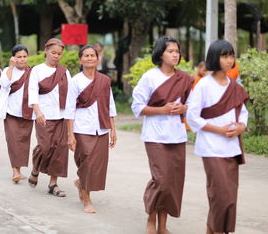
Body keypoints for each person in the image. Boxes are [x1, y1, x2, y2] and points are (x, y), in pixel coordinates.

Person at [131, 36, 193, 234]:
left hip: (177, 136)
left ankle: (163, 226)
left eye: (177, 51)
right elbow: (137, 107)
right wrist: (162, 110)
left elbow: (193, 106)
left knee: (173, 183)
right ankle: (151, 219)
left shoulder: (185, 78)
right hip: (155, 136)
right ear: (160, 54)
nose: (175, 54)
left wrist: (184, 107)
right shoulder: (150, 77)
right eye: (171, 51)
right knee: (162, 180)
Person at [186, 40, 249, 234]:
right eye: (224, 56)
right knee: (221, 195)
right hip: (211, 148)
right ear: (215, 58)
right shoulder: (204, 85)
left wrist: (241, 127)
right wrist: (218, 130)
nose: (229, 60)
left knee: (229, 195)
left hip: (231, 148)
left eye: (231, 56)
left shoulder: (234, 87)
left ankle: (211, 230)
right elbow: (192, 116)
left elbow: (243, 113)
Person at [65, 45, 117, 213]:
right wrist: (70, 134)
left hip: (101, 128)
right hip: (81, 128)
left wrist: (113, 130)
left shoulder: (104, 80)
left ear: (97, 58)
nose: (89, 58)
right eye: (86, 55)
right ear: (81, 60)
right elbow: (69, 108)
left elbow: (110, 105)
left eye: (92, 55)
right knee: (86, 163)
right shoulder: (75, 81)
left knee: (97, 165)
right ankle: (87, 199)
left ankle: (82, 184)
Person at [27, 38, 71, 197]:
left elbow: (71, 94)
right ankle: (36, 168)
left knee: (60, 149)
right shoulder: (37, 70)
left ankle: (53, 184)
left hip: (62, 115)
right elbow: (32, 92)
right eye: (53, 52)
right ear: (46, 51)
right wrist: (37, 111)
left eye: (59, 53)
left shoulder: (64, 72)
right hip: (43, 115)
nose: (56, 56)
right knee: (45, 146)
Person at [0, 45, 34, 182]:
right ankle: (15, 171)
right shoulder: (7, 70)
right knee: (12, 140)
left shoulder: (33, 72)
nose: (22, 60)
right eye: (19, 57)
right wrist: (10, 67)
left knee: (24, 141)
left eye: (24, 56)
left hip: (28, 112)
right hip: (11, 112)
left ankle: (20, 169)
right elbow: (4, 84)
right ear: (13, 58)